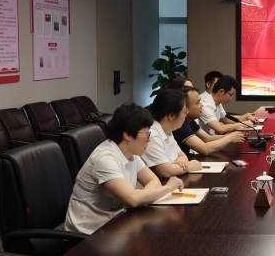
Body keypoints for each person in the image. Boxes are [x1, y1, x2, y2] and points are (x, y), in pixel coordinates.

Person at [64, 102, 183, 234]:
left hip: (116, 223)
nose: (149, 140)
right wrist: (168, 188)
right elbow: (133, 200)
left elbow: (153, 181)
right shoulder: (105, 159)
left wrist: (140, 198)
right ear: (128, 135)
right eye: (147, 134)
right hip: (88, 233)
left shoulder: (130, 152)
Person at [143, 89, 201, 178]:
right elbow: (166, 171)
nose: (186, 116)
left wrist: (180, 164)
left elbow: (182, 155)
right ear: (171, 116)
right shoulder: (152, 135)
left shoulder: (168, 131)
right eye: (185, 112)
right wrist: (190, 166)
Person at [176, 86, 246, 155]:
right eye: (197, 103)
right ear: (185, 107)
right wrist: (229, 138)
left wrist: (233, 137)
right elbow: (205, 149)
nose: (201, 105)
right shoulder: (181, 125)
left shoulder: (190, 121)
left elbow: (207, 138)